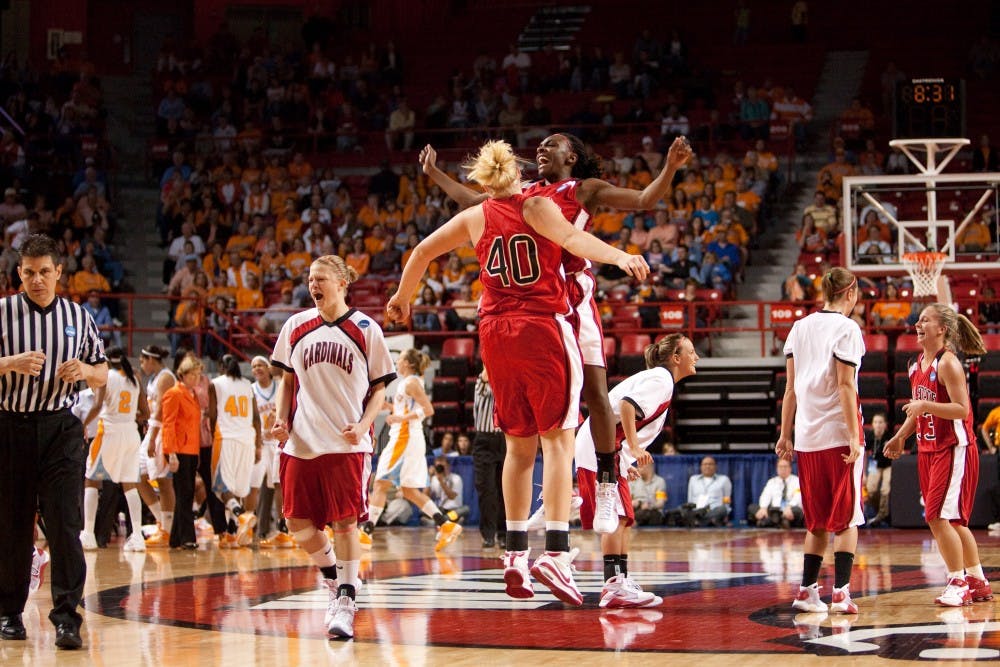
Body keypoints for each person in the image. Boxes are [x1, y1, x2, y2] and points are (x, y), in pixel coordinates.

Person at [388, 139, 649, 606]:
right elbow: (574, 240)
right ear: (515, 173)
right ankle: (555, 551)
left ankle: (513, 555)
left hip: (493, 334)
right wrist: (620, 257)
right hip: (540, 327)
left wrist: (403, 298)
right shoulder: (537, 205)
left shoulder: (477, 216)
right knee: (558, 441)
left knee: (518, 447)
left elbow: (422, 252)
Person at [420, 133, 691, 537]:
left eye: (554, 144)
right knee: (546, 416)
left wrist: (669, 168)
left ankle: (604, 483)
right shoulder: (523, 193)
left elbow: (644, 200)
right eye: (540, 145)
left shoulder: (585, 189)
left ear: (574, 155)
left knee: (598, 396)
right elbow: (472, 203)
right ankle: (560, 495)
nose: (542, 149)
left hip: (572, 293)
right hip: (534, 304)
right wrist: (435, 173)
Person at [270, 254, 396, 639]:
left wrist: (363, 425)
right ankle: (336, 578)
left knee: (344, 522)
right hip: (302, 441)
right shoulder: (295, 325)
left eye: (321, 278)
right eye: (310, 278)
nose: (313, 285)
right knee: (297, 523)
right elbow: (287, 382)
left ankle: (344, 598)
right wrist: (281, 419)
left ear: (342, 283)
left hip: (346, 443)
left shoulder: (365, 328)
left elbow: (380, 388)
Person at [0, 233, 108, 650]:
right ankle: (9, 612)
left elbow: (102, 372)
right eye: (29, 273)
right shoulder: (4, 311)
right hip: (10, 426)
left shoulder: (79, 317)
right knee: (12, 525)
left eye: (45, 271)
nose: (37, 280)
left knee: (66, 524)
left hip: (61, 428)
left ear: (59, 272)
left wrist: (83, 369)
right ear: (19, 274)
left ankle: (67, 617)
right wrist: (10, 363)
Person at [883, 304, 993, 606]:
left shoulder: (948, 364)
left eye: (925, 320)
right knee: (955, 522)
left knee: (936, 516)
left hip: (953, 448)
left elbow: (963, 410)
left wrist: (925, 407)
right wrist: (900, 436)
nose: (918, 324)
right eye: (918, 320)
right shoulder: (915, 364)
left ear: (941, 328)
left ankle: (958, 583)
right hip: (927, 449)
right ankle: (978, 581)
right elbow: (916, 411)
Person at [577, 334, 698, 608]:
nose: (696, 357)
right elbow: (627, 405)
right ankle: (613, 585)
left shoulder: (660, 379)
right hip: (600, 447)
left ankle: (621, 580)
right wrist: (633, 447)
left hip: (607, 448)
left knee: (625, 518)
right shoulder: (661, 379)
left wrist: (625, 460)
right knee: (616, 517)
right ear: (676, 358)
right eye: (692, 352)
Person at [777, 266, 864, 616]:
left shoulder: (799, 327)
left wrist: (785, 434)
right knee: (846, 519)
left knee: (816, 521)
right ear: (851, 293)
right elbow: (846, 386)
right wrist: (855, 436)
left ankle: (806, 591)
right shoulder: (847, 328)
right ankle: (841, 593)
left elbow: (790, 388)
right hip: (838, 434)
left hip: (806, 436)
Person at [360, 349, 463, 551]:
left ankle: (366, 532)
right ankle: (446, 524)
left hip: (404, 438)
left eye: (399, 360)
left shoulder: (411, 382)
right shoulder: (409, 382)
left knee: (381, 482)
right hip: (408, 438)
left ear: (407, 363)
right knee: (408, 491)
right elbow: (409, 408)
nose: (396, 362)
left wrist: (400, 418)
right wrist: (390, 408)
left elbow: (428, 410)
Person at [79, 347, 150, 552]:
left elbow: (97, 405)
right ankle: (137, 536)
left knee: (91, 477)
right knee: (129, 484)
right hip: (130, 434)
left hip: (109, 432)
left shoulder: (106, 377)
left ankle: (89, 533)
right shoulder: (134, 379)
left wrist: (83, 424)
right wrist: (128, 417)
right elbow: (146, 412)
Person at [208, 354, 263, 548]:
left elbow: (213, 415)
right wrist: (258, 445)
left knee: (220, 487)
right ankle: (232, 532)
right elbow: (256, 417)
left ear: (222, 367)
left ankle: (240, 516)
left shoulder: (215, 383)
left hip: (226, 438)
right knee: (238, 488)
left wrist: (212, 428)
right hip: (247, 439)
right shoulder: (247, 385)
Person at [161, 355, 204, 549]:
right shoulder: (174, 393)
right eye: (192, 375)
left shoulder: (192, 395)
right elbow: (168, 424)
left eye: (198, 375)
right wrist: (170, 453)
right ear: (183, 374)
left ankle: (176, 538)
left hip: (191, 450)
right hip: (178, 450)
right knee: (184, 493)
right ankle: (187, 538)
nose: (195, 378)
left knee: (186, 494)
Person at [250, 356, 293, 548]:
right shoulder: (251, 390)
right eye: (253, 366)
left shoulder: (280, 386)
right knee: (255, 486)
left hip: (277, 442)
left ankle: (282, 526)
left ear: (268, 368)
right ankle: (253, 528)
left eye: (260, 365)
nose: (257, 368)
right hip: (259, 443)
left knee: (278, 485)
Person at [138, 345, 177, 548]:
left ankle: (167, 530)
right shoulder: (154, 378)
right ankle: (161, 521)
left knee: (163, 481)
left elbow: (162, 410)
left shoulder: (165, 377)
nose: (142, 364)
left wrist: (153, 436)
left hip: (162, 432)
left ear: (151, 359)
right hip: (152, 431)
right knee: (137, 476)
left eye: (143, 360)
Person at [471, 366, 506, 548]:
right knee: (486, 490)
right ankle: (488, 534)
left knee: (504, 490)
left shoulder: (508, 383)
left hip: (505, 440)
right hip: (484, 440)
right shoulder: (483, 381)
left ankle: (504, 534)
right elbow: (486, 369)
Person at [666, 457, 733, 527]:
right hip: (696, 510)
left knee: (722, 509)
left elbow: (726, 501)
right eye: (705, 464)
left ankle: (697, 521)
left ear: (716, 466)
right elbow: (690, 499)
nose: (707, 466)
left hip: (714, 509)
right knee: (681, 509)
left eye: (710, 464)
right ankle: (709, 521)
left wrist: (726, 516)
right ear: (701, 467)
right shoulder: (693, 479)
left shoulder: (724, 479)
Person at [748, 459, 803, 528]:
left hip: (790, 510)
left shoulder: (797, 480)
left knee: (797, 511)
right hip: (775, 511)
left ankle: (769, 522)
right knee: (752, 507)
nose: (783, 469)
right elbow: (765, 496)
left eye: (785, 466)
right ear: (777, 468)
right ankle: (778, 521)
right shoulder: (772, 482)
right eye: (780, 467)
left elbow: (797, 496)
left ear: (790, 468)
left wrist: (789, 507)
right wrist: (763, 508)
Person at [864, 412, 893, 527]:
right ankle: (877, 511)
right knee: (871, 489)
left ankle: (882, 516)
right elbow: (865, 455)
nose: (878, 425)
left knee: (885, 489)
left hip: (888, 465)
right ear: (872, 424)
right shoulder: (870, 436)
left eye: (880, 422)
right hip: (874, 464)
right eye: (875, 422)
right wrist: (864, 474)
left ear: (885, 424)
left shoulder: (889, 436)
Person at [427, 456, 469, 522]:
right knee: (424, 510)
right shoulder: (434, 479)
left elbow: (452, 496)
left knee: (465, 509)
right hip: (439, 511)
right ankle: (444, 520)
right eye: (438, 467)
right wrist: (429, 477)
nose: (441, 469)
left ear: (448, 466)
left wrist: (441, 481)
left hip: (453, 510)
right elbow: (425, 496)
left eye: (443, 466)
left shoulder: (456, 478)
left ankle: (439, 521)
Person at [629, 461, 667, 526]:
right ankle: (634, 521)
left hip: (652, 511)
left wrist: (649, 506)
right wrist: (633, 502)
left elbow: (660, 503)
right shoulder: (633, 481)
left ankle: (634, 522)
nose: (637, 469)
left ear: (649, 467)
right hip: (636, 509)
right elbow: (627, 500)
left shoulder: (660, 481)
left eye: (640, 467)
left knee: (652, 515)